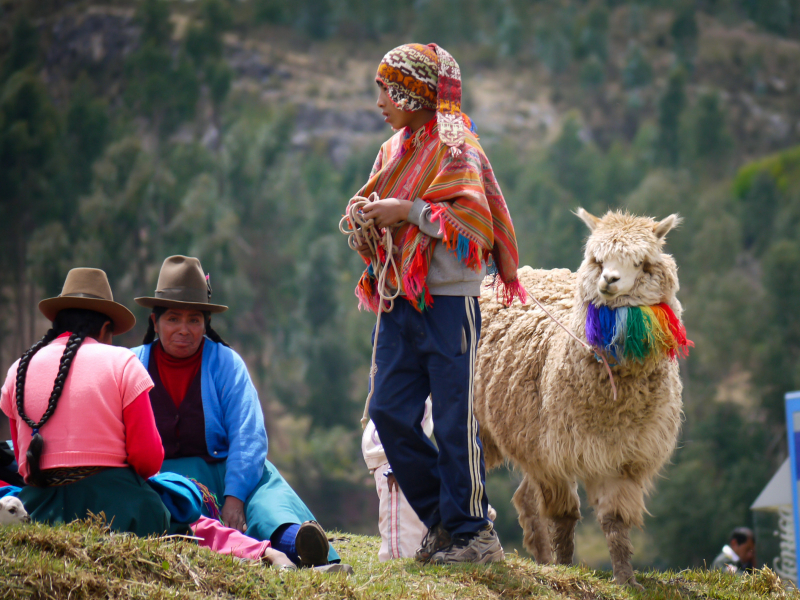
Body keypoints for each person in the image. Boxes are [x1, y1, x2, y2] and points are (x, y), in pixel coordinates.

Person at [345, 43, 526, 565]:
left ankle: (474, 535)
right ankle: (448, 523)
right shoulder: (391, 151)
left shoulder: (457, 149)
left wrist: (409, 210)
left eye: (385, 88)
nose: (379, 100)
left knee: (452, 419)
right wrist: (369, 221)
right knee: (387, 410)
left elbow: (474, 225)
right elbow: (386, 218)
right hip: (399, 297)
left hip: (448, 301)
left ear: (413, 89)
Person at [131, 255, 341, 568]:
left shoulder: (226, 364)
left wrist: (235, 498)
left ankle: (300, 544)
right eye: (173, 319)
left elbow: (248, 434)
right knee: (177, 508)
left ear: (206, 322)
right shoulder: (131, 366)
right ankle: (264, 552)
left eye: (194, 320)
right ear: (154, 321)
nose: (184, 329)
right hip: (167, 478)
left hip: (229, 471)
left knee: (267, 500)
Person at [0, 268, 171, 535]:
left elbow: (25, 464)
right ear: (105, 329)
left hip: (41, 509)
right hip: (119, 511)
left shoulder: (17, 372)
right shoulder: (123, 362)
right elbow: (148, 459)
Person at [362, 398, 433, 561]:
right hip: (395, 461)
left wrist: (398, 463)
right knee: (421, 538)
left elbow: (411, 419)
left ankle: (403, 573)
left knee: (400, 554)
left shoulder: (407, 384)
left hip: (395, 464)